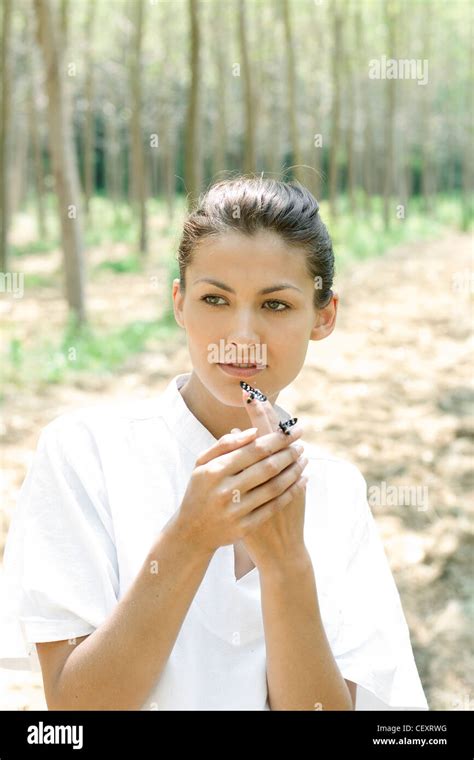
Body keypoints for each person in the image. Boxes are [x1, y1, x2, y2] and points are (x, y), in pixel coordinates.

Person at [0, 177, 428, 711]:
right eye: (214, 299)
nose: (240, 335)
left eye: (275, 305)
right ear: (179, 303)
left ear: (324, 316)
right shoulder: (83, 454)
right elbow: (74, 707)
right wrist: (189, 538)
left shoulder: (337, 492)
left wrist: (286, 563)